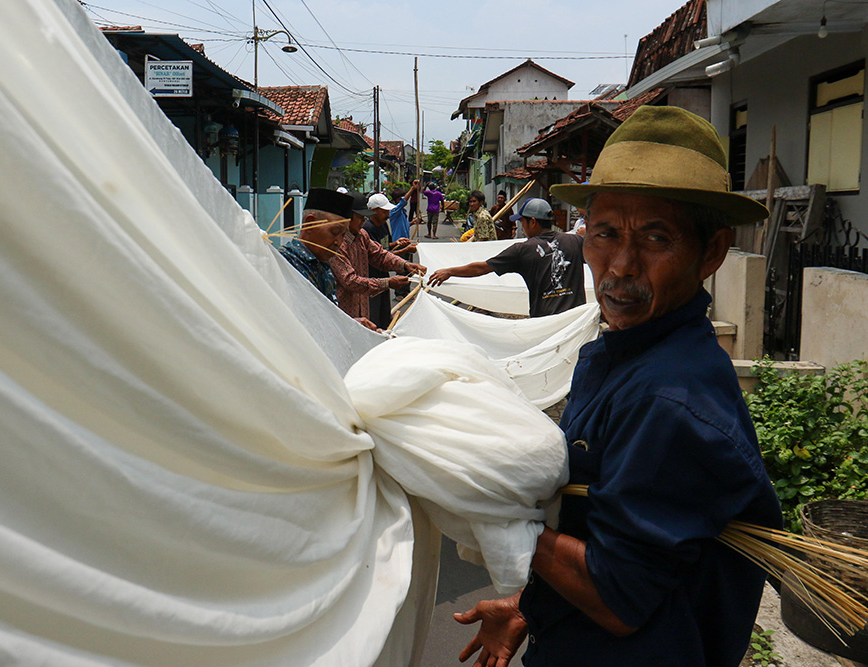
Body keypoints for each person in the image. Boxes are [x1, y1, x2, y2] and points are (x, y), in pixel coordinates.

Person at [453, 106, 783, 667]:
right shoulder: (616, 358)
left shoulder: (670, 399)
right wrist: (530, 606)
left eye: (656, 237)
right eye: (604, 234)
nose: (621, 266)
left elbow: (618, 594)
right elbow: (597, 530)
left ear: (712, 252)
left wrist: (486, 498)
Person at [428, 198, 585, 317]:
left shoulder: (522, 250)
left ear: (533, 222)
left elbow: (481, 268)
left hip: (545, 320)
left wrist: (449, 271)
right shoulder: (575, 241)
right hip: (577, 320)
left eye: (522, 222)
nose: (522, 228)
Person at [277, 188, 378, 330]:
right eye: (334, 232)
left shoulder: (323, 266)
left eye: (343, 235)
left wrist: (352, 324)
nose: (338, 242)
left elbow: (328, 317)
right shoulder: (285, 264)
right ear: (310, 223)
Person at [330, 191, 426, 323]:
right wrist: (387, 282)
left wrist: (405, 264)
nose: (364, 221)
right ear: (348, 217)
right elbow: (350, 281)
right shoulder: (336, 244)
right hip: (345, 313)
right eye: (360, 217)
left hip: (364, 305)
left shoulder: (362, 235)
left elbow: (380, 255)